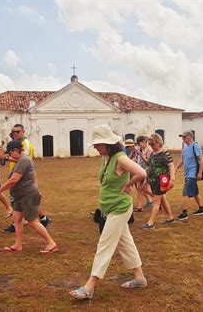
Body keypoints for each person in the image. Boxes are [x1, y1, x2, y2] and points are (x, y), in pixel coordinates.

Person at [70, 125, 147, 300]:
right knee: (125, 243)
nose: (95, 147)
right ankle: (140, 277)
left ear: (108, 143)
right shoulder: (106, 158)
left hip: (119, 208)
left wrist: (128, 185)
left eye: (98, 144)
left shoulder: (120, 157)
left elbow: (141, 172)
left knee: (104, 245)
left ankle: (90, 286)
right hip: (109, 207)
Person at [0, 140, 59, 254]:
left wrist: (0, 190)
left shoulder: (24, 160)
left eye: (10, 153)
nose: (10, 156)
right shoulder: (21, 159)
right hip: (19, 195)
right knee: (17, 219)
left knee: (32, 221)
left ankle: (51, 243)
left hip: (27, 195)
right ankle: (18, 245)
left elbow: (14, 179)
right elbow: (30, 173)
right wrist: (3, 157)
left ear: (15, 150)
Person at [0, 124, 51, 233]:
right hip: (18, 175)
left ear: (23, 132)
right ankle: (43, 219)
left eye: (18, 131)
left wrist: (7, 157)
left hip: (22, 176)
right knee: (27, 202)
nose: (15, 134)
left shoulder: (25, 144)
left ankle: (19, 223)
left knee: (26, 202)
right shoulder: (17, 144)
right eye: (13, 132)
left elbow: (24, 160)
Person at [141, 133, 176, 229]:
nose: (152, 146)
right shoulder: (153, 153)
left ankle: (150, 223)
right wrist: (145, 180)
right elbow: (149, 166)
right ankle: (170, 217)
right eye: (150, 144)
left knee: (156, 202)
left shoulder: (165, 153)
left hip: (160, 181)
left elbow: (171, 165)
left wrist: (172, 179)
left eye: (153, 144)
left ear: (158, 142)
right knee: (162, 198)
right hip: (152, 181)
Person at [175, 131, 203, 220]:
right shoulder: (185, 148)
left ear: (190, 137)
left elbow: (201, 159)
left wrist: (199, 172)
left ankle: (184, 213)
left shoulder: (195, 146)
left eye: (184, 137)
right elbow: (182, 159)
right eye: (182, 137)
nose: (183, 139)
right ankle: (201, 208)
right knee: (195, 192)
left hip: (192, 174)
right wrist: (176, 167)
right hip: (187, 173)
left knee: (186, 192)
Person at [133, 135, 154, 212]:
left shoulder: (148, 150)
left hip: (146, 171)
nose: (141, 144)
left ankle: (159, 198)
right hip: (139, 171)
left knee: (145, 189)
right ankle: (140, 206)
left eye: (141, 142)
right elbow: (137, 161)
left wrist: (141, 155)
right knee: (139, 189)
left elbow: (148, 162)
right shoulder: (141, 150)